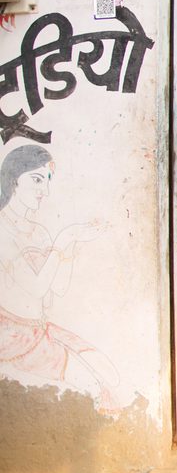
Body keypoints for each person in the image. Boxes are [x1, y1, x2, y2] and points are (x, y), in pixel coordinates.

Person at [0, 145, 119, 412]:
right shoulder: (3, 229)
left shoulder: (38, 232)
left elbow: (58, 288)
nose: (44, 190)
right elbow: (35, 288)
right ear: (13, 179)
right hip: (13, 338)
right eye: (36, 179)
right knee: (95, 387)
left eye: (47, 181)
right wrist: (63, 239)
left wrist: (72, 245)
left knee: (110, 374)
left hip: (39, 330)